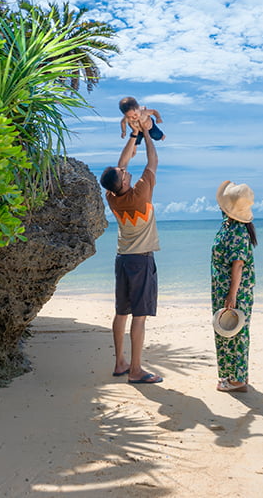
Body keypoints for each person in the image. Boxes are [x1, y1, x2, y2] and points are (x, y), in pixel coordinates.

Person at [99, 121, 163, 385]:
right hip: (141, 261)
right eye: (124, 174)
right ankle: (135, 370)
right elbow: (153, 160)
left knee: (121, 312)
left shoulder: (112, 197)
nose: (127, 173)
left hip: (122, 260)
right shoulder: (141, 193)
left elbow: (121, 165)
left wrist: (134, 134)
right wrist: (147, 134)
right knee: (139, 316)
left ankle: (120, 363)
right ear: (123, 182)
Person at [211, 180, 257, 393]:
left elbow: (238, 265)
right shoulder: (229, 224)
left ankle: (238, 381)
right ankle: (232, 375)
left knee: (236, 332)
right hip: (223, 288)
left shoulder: (238, 231)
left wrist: (232, 295)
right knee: (226, 331)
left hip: (234, 290)